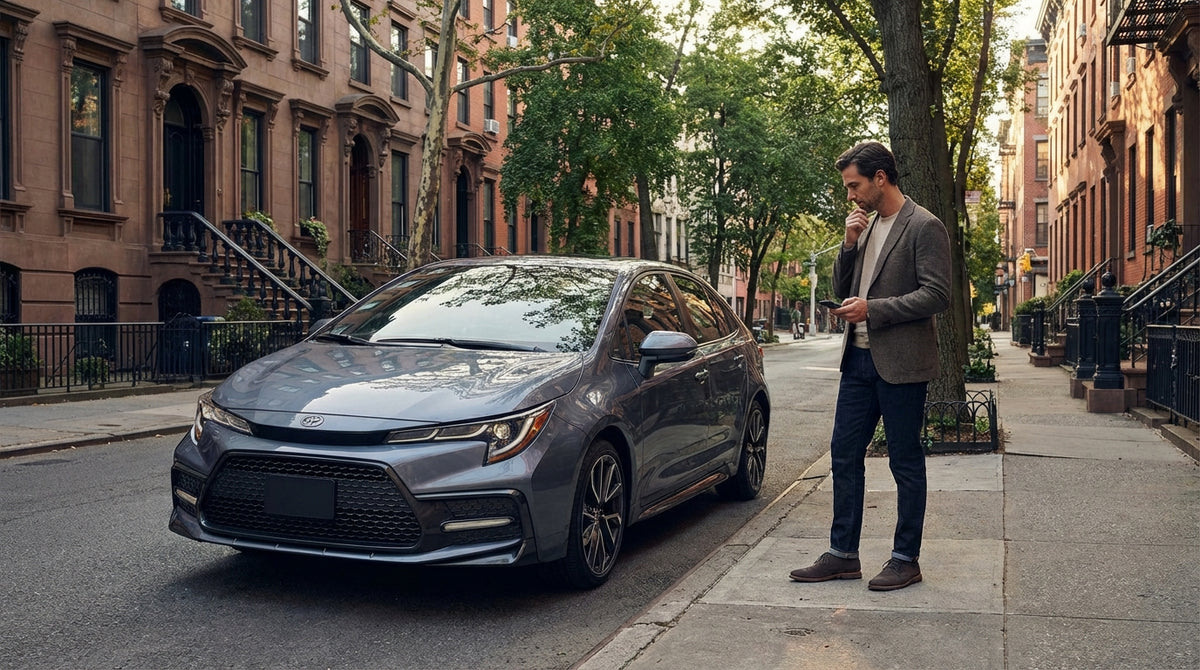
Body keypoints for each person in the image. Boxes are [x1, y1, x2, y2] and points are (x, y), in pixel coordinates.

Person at [788, 141, 951, 591]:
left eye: (854, 185)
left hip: (901, 365)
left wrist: (873, 310)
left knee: (904, 461)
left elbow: (937, 294)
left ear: (881, 177)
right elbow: (845, 287)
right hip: (857, 361)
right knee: (844, 455)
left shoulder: (924, 226)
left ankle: (905, 558)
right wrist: (848, 243)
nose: (851, 196)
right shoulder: (866, 226)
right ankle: (843, 554)